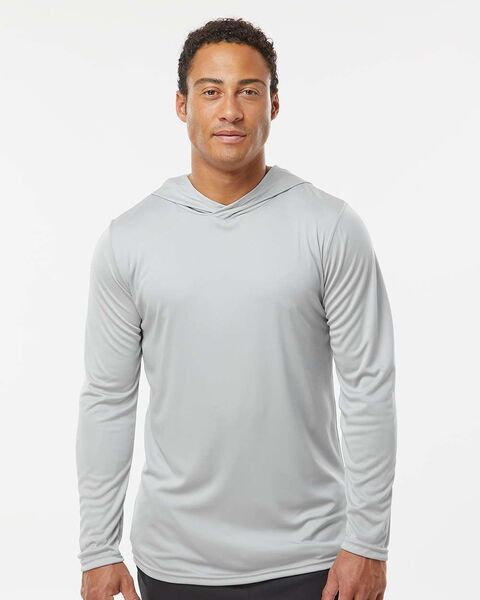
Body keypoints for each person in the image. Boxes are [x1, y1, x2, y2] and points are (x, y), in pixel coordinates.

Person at [76, 16, 397, 600]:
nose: (230, 110)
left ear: (274, 104)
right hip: (173, 563)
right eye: (211, 91)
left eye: (249, 91)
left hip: (313, 560)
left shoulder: (330, 226)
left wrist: (369, 543)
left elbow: (369, 386)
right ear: (182, 105)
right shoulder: (130, 239)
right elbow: (107, 399)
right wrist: (98, 547)